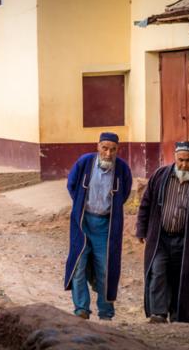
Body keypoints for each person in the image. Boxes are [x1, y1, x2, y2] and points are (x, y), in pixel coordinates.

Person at [136, 141, 189, 324]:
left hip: (187, 241)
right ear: (175, 157)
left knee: (181, 278)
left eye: (188, 161)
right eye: (181, 160)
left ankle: (179, 317)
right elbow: (146, 204)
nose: (184, 164)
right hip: (160, 238)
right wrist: (141, 229)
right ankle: (158, 314)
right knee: (158, 272)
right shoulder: (160, 176)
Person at [64, 132, 132, 321]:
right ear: (98, 146)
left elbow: (123, 194)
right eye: (105, 148)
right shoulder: (85, 162)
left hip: (106, 227)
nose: (108, 153)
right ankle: (81, 310)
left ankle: (106, 312)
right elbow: (72, 186)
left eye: (113, 149)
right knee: (78, 265)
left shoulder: (122, 169)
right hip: (83, 223)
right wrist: (80, 206)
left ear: (117, 150)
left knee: (105, 268)